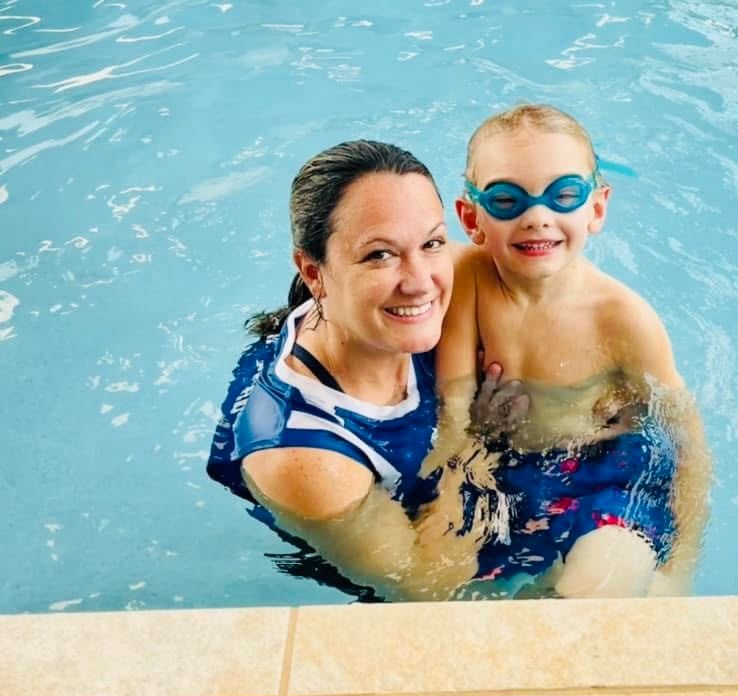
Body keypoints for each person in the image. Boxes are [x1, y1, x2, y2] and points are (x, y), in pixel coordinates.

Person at [431, 104, 712, 598]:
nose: (537, 217)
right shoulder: (469, 281)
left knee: (590, 598)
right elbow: (453, 411)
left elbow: (684, 434)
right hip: (508, 468)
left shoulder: (621, 318)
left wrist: (682, 564)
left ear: (596, 208)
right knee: (444, 587)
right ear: (471, 217)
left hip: (604, 470)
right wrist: (454, 483)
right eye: (505, 199)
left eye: (563, 195)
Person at [208, 140, 504, 602]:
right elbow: (432, 586)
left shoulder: (409, 297)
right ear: (314, 272)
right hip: (368, 558)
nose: (421, 281)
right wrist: (475, 443)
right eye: (380, 255)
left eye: (432, 242)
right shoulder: (306, 461)